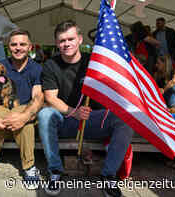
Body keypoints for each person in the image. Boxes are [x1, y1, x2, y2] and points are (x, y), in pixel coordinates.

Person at [37, 20, 133, 197]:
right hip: (66, 120)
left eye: (71, 39)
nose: (66, 44)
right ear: (57, 43)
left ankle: (109, 177)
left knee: (125, 117)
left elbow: (113, 89)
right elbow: (50, 98)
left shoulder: (95, 62)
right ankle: (55, 172)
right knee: (45, 114)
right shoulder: (51, 65)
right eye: (62, 40)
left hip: (93, 119)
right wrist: (74, 112)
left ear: (80, 39)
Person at [0, 29, 43, 189]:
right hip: (4, 109)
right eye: (14, 44)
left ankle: (29, 168)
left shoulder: (37, 68)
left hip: (25, 108)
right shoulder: (0, 66)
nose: (18, 48)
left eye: (22, 44)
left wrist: (25, 116)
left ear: (30, 47)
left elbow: (38, 97)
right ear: (9, 47)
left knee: (24, 120)